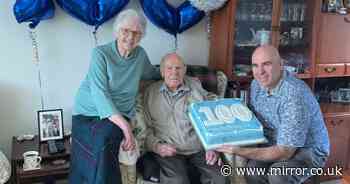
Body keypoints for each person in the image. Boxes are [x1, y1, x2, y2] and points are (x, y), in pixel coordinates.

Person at [69, 9, 160, 184]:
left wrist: (174, 72)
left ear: (141, 36)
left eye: (136, 33)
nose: (130, 37)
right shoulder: (100, 54)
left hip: (117, 113)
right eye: (126, 31)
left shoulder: (140, 55)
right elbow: (100, 93)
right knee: (96, 143)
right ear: (117, 31)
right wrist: (126, 128)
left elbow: (153, 73)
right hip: (86, 112)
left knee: (104, 139)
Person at [216, 45, 330, 184]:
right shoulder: (256, 85)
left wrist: (239, 150)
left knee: (278, 175)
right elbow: (251, 119)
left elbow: (285, 152)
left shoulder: (294, 95)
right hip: (275, 142)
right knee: (252, 171)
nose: (260, 72)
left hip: (308, 149)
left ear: (281, 65)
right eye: (255, 65)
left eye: (266, 64)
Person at [143, 53, 229, 184]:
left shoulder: (196, 87)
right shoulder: (150, 93)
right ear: (161, 72)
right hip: (169, 151)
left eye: (178, 68)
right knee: (178, 181)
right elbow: (146, 129)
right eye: (169, 68)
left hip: (199, 150)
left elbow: (211, 119)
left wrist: (211, 146)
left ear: (184, 70)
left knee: (220, 178)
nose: (174, 72)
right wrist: (157, 146)